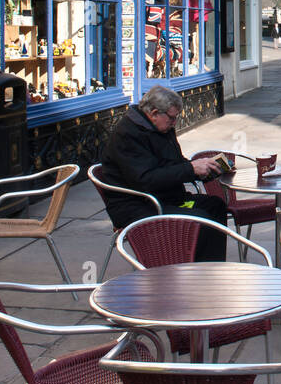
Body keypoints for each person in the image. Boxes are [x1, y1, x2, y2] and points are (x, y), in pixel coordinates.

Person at [98, 85, 229, 260]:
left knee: (215, 205)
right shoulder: (128, 134)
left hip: (163, 198)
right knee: (201, 220)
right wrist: (189, 169)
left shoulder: (160, 128)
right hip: (137, 206)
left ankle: (211, 268)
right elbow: (145, 179)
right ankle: (192, 270)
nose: (174, 123)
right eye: (172, 118)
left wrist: (202, 169)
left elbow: (173, 163)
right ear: (153, 113)